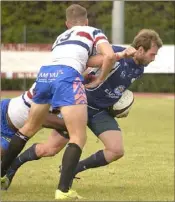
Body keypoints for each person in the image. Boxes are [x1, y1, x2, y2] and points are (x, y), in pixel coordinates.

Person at [2, 29, 163, 193]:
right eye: (152, 54)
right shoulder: (115, 52)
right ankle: (13, 166)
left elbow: (115, 87)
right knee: (49, 149)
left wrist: (118, 105)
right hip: (79, 105)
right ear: (141, 50)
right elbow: (87, 61)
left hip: (100, 111)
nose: (153, 58)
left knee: (116, 150)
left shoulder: (139, 69)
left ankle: (74, 169)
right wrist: (96, 72)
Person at [1, 4, 116, 200]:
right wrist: (100, 79)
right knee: (78, 136)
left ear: (67, 24)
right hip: (67, 77)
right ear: (86, 21)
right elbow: (110, 55)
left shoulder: (61, 38)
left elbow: (79, 59)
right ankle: (63, 191)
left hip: (45, 74)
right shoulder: (93, 31)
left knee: (29, 128)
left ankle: (1, 174)